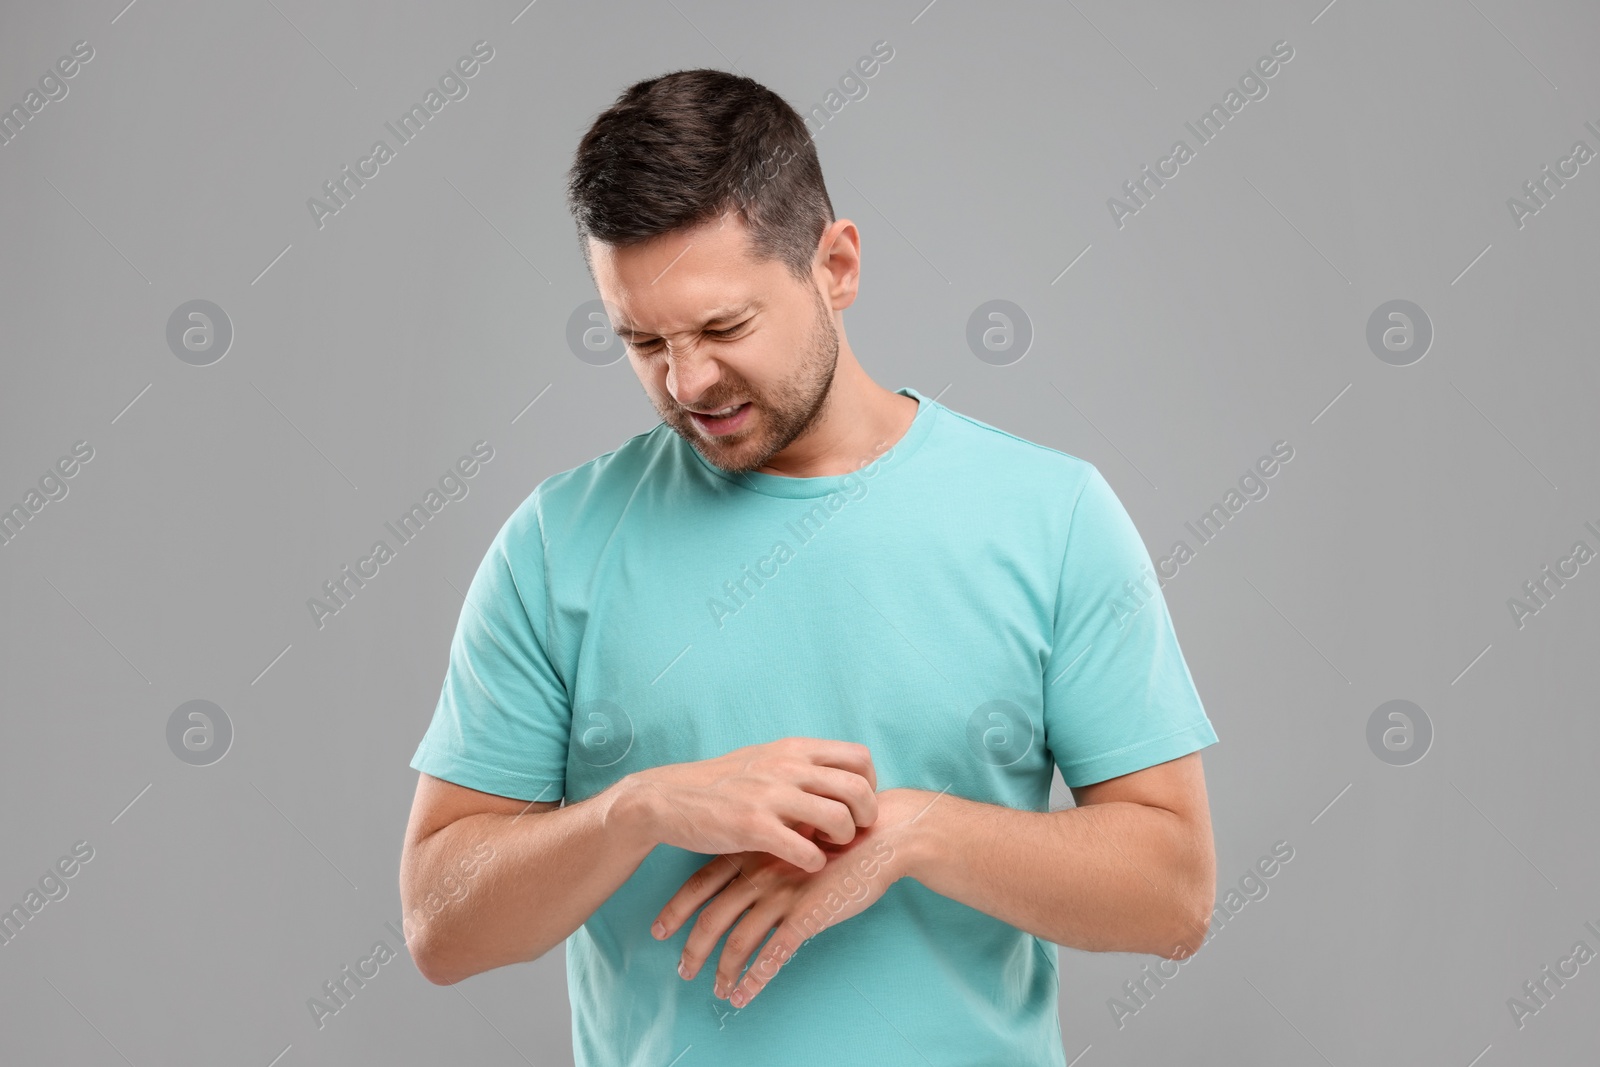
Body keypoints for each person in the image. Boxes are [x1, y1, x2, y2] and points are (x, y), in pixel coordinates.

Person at [399, 68, 1219, 1067]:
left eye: (723, 328)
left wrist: (914, 832)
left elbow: (1175, 894)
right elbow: (440, 925)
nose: (686, 380)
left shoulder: (1051, 516)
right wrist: (636, 808)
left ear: (836, 265)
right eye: (643, 341)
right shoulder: (555, 543)